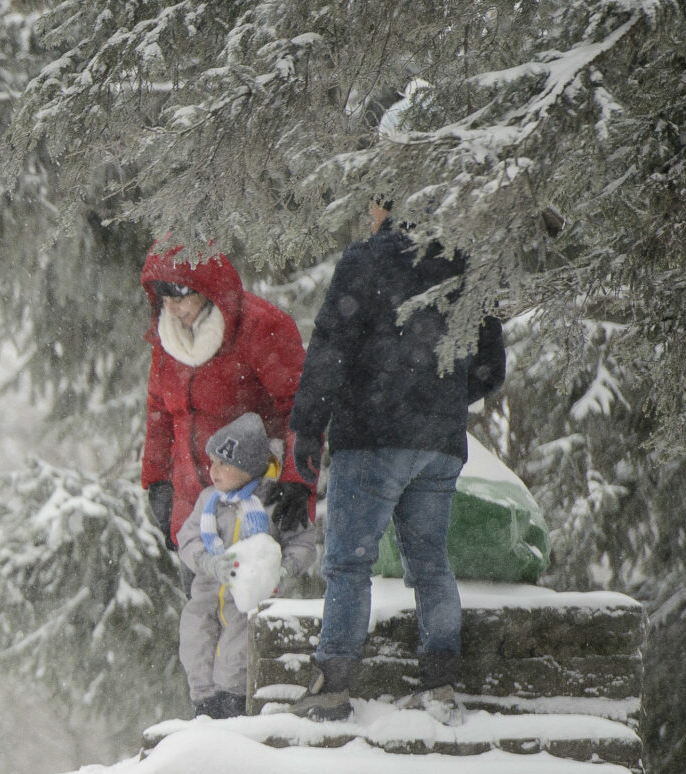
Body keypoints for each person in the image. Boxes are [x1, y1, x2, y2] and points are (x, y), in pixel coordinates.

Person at [290, 200, 507, 725]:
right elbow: (490, 368)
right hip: (438, 445)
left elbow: (330, 348)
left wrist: (307, 424)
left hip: (371, 437)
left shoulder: (365, 260)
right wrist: (442, 400)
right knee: (430, 563)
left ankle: (331, 684)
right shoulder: (463, 262)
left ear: (386, 205)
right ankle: (440, 682)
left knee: (348, 563)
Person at [141, 246, 315, 550]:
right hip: (193, 515)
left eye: (180, 298)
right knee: (201, 596)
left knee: (253, 593)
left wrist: (297, 480)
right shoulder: (168, 339)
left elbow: (301, 406)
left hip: (253, 507)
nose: (172, 310)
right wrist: (157, 483)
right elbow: (160, 414)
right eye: (165, 299)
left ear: (207, 290)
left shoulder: (261, 327)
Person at [174, 414, 319, 719]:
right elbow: (187, 537)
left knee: (235, 659)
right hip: (206, 596)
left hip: (246, 605)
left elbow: (304, 542)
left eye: (223, 464)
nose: (213, 472)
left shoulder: (273, 504)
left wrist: (282, 569)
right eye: (211, 462)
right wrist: (208, 562)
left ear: (249, 467)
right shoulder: (207, 502)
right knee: (195, 647)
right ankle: (204, 709)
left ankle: (232, 710)